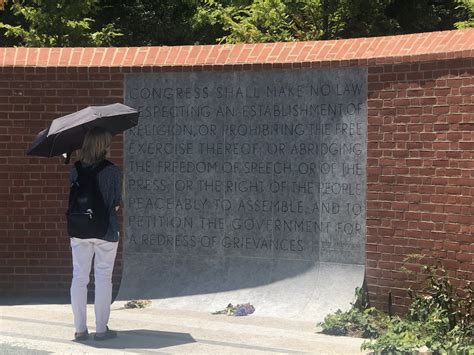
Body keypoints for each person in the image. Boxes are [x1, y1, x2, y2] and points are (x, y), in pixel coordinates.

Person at [69, 127, 122, 341]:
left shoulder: (75, 169)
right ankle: (101, 329)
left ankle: (80, 329)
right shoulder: (112, 171)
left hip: (79, 229)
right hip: (105, 231)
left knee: (79, 277)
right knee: (103, 279)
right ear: (103, 146)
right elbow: (115, 204)